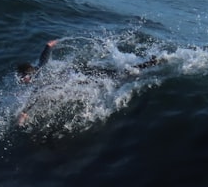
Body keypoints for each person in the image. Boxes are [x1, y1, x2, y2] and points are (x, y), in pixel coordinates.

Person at [16, 39, 161, 124]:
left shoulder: (38, 78)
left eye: (21, 78)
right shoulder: (40, 67)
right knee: (118, 74)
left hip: (83, 77)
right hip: (81, 72)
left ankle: (150, 64)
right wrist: (50, 45)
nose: (21, 82)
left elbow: (37, 95)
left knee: (119, 77)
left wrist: (24, 113)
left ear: (27, 75)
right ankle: (149, 62)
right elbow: (46, 50)